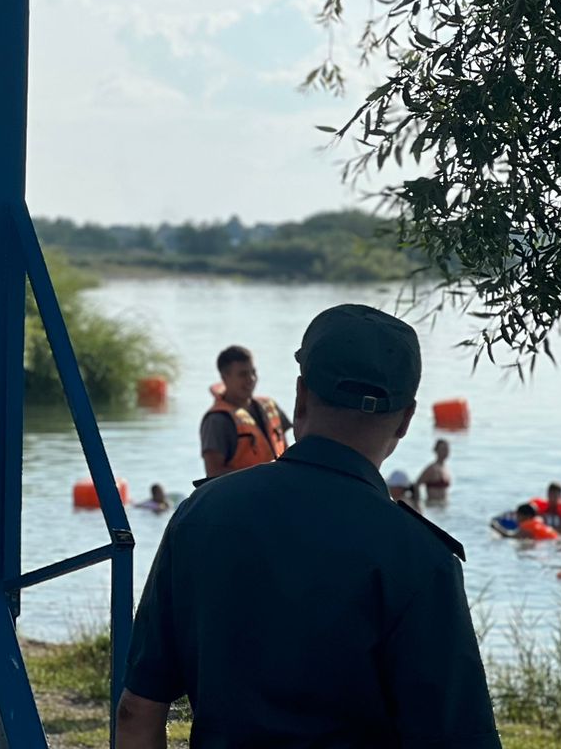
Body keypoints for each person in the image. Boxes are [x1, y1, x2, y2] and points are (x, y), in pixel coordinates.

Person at [117, 304, 501, 748]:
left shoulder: (200, 515)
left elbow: (136, 713)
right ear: (407, 419)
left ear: (300, 397)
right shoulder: (420, 559)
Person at [199, 344, 291, 478]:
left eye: (253, 372)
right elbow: (213, 473)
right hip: (243, 495)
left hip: (279, 487)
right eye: (243, 374)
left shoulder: (270, 406)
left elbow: (287, 449)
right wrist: (258, 477)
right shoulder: (217, 421)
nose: (251, 379)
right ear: (225, 378)